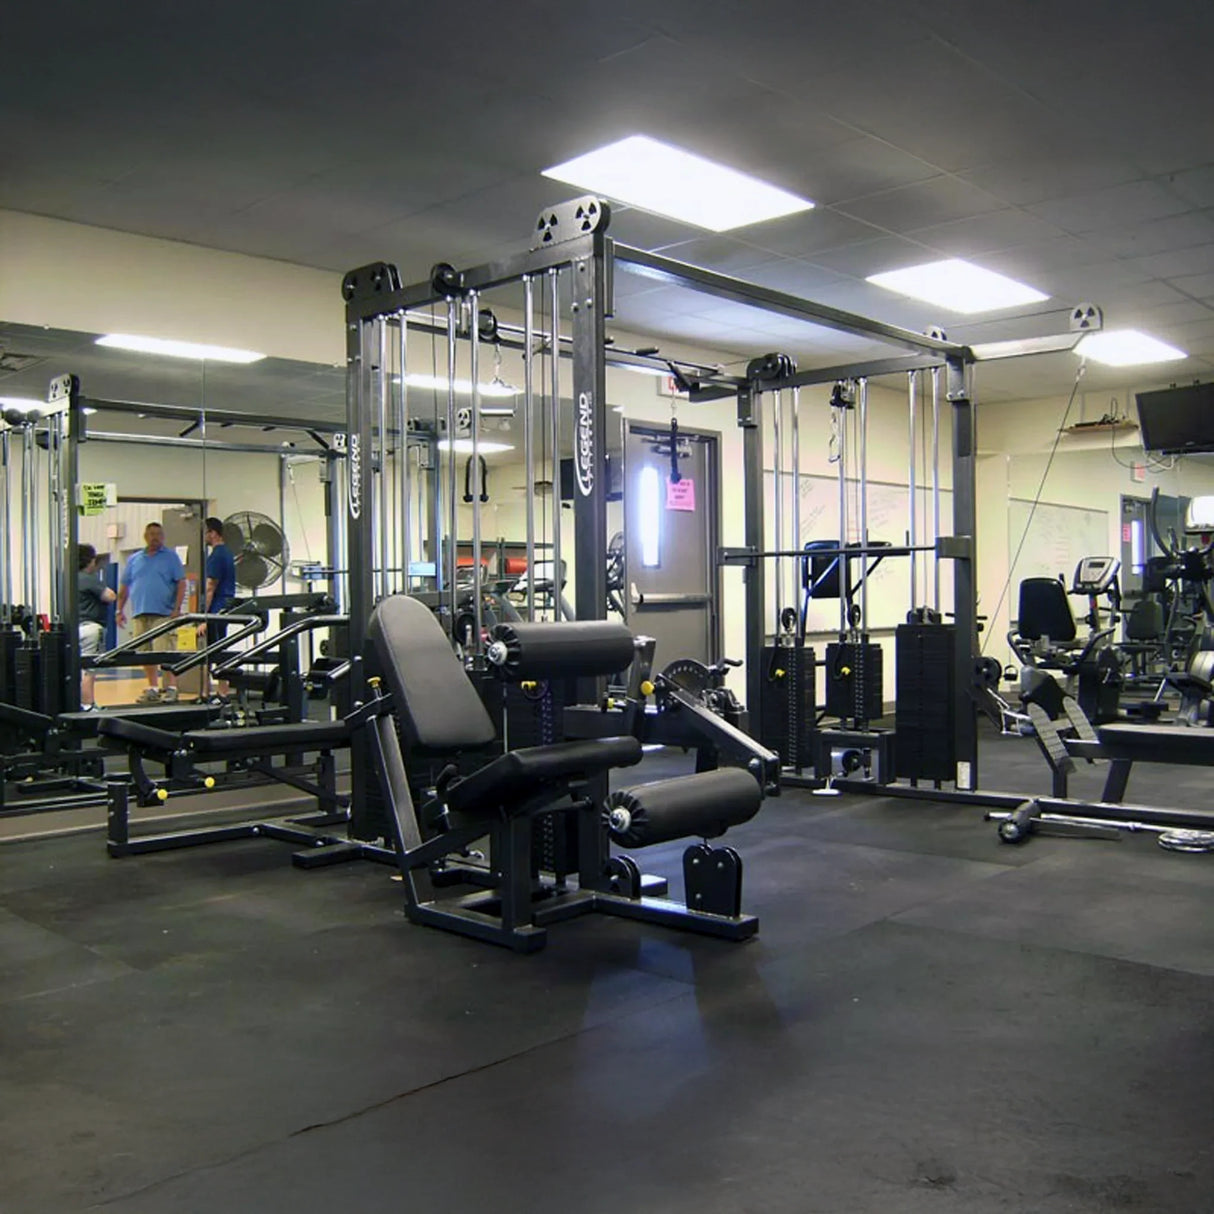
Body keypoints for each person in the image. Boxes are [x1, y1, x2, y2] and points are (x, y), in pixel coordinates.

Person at [115, 522, 186, 703]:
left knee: (165, 652)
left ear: (163, 537)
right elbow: (124, 587)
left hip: (163, 613)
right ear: (145, 536)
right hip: (140, 613)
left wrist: (177, 609)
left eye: (158, 534)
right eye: (151, 534)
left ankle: (171, 687)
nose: (155, 537)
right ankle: (153, 687)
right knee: (144, 653)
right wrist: (119, 610)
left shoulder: (171, 558)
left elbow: (181, 583)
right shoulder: (134, 559)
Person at [77, 543, 117, 710]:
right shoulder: (89, 579)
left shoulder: (68, 579)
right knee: (90, 668)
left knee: (78, 668)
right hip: (91, 628)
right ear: (90, 561)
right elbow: (110, 596)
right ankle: (88, 705)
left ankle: (81, 703)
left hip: (75, 628)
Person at [203, 517, 237, 699]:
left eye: (205, 533)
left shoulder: (217, 555)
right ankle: (215, 689)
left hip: (217, 606)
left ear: (213, 533)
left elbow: (210, 587)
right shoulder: (228, 553)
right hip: (226, 604)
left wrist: (204, 616)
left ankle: (219, 690)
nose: (204, 537)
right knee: (219, 647)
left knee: (214, 649)